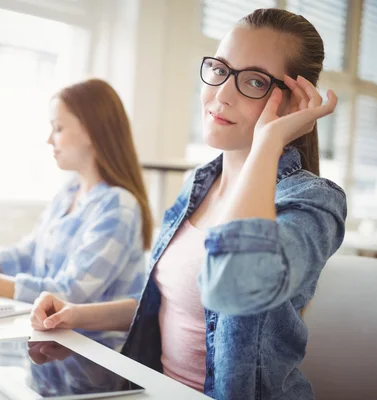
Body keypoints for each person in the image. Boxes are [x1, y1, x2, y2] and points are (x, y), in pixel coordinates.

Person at [29, 8, 347, 399]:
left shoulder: (312, 201)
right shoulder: (199, 183)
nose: (222, 94)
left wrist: (269, 142)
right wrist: (77, 314)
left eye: (253, 81)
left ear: (293, 102)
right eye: (219, 70)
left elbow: (233, 288)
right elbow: (170, 305)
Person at [0, 78, 153, 349]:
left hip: (93, 355)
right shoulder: (70, 192)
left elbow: (67, 294)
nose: (49, 139)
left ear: (91, 131)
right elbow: (24, 255)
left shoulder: (118, 207)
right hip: (51, 341)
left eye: (58, 128)